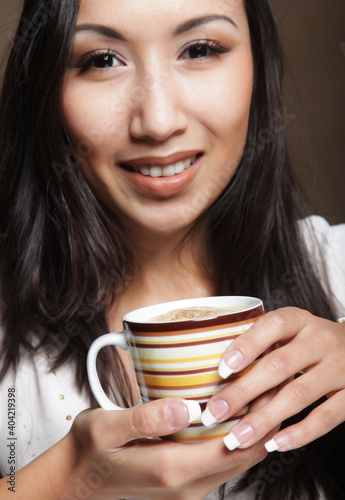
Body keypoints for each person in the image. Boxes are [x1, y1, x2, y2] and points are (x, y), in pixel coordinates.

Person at [0, 0, 344, 498]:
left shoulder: (333, 270)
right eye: (101, 60)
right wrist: (62, 482)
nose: (158, 122)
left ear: (258, 64)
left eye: (200, 49)